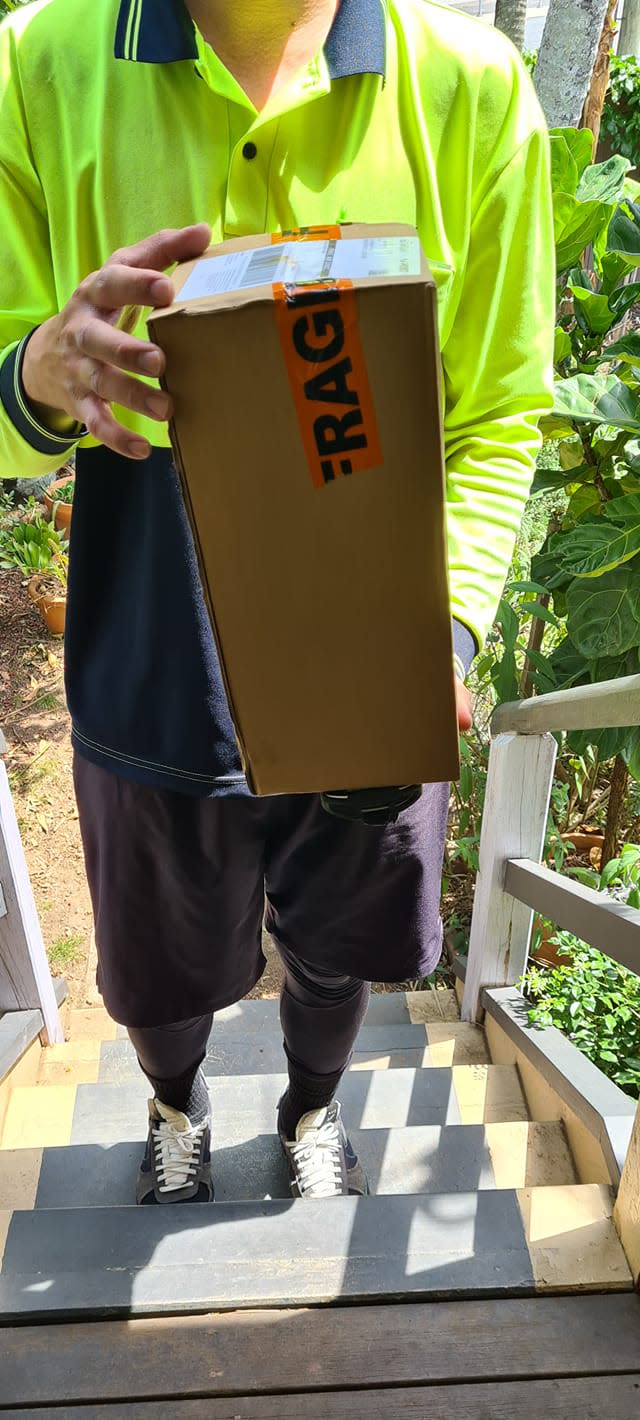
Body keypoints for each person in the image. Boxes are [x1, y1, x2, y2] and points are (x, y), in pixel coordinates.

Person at [0, 0, 554, 1204]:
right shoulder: (39, 63)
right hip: (151, 641)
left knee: (339, 937)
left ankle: (311, 1109)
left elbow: (502, 404)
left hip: (375, 642)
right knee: (162, 963)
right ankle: (172, 1102)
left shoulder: (467, 83)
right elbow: (10, 405)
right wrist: (38, 372)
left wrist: (446, 627)